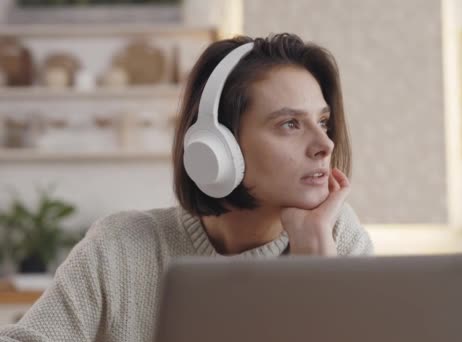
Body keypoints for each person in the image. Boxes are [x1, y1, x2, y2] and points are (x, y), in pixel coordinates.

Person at [0, 33, 373, 342]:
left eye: (323, 122)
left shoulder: (337, 237)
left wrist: (317, 270)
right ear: (216, 148)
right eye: (290, 124)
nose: (324, 144)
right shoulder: (120, 248)